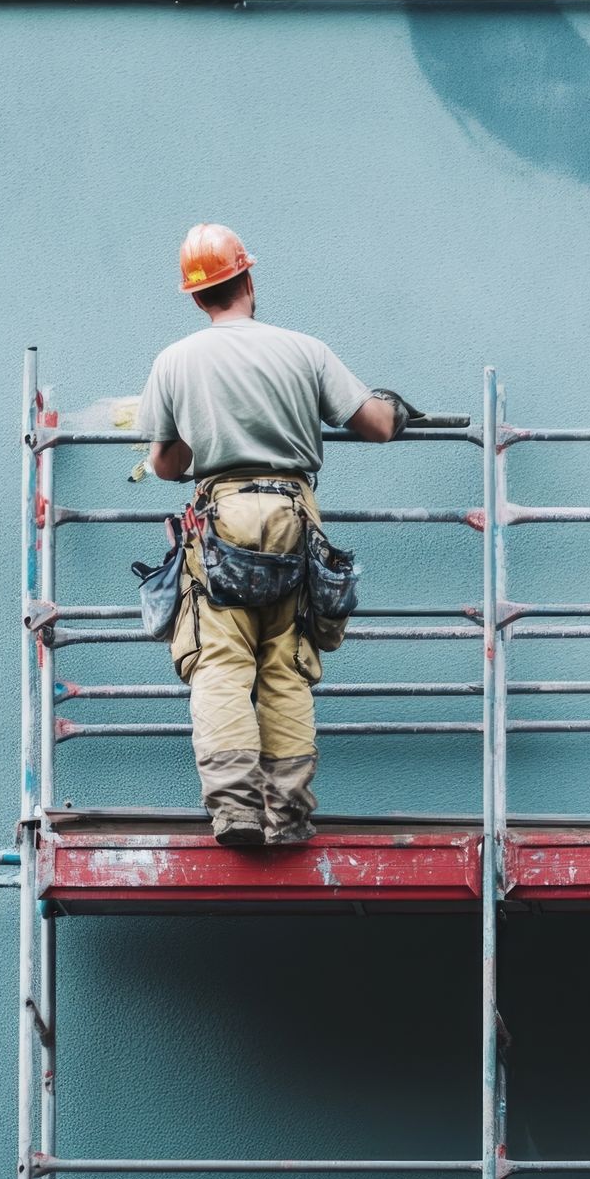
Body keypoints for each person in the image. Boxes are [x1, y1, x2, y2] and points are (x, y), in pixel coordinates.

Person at [138, 223, 415, 846]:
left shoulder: (175, 361)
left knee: (221, 665)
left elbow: (166, 466)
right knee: (286, 667)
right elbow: (374, 424)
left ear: (195, 296)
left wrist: (201, 422)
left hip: (221, 520)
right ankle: (287, 815)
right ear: (249, 279)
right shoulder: (303, 349)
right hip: (293, 514)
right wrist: (397, 407)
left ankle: (237, 812)